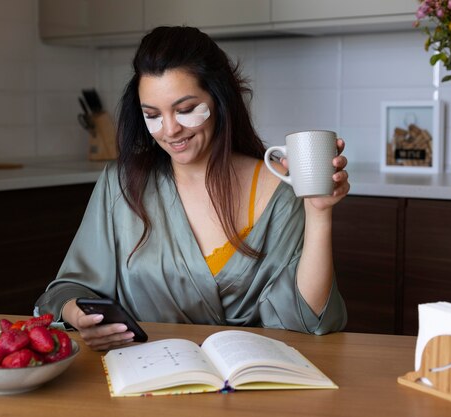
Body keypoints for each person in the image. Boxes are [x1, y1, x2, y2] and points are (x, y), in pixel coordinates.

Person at [35, 26, 349, 351]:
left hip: (247, 379)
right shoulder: (121, 184)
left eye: (185, 110)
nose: (170, 130)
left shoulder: (280, 188)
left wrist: (319, 213)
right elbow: (66, 290)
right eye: (152, 115)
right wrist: (79, 315)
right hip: (142, 374)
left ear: (220, 99)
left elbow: (309, 320)